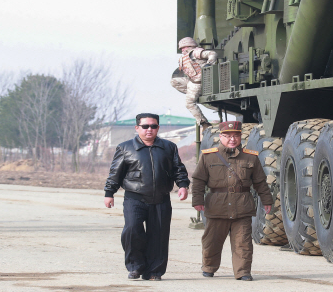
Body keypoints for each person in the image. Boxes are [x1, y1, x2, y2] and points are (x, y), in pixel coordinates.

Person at [104, 113, 190, 281]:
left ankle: (154, 271)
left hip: (161, 199)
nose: (149, 129)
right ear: (137, 128)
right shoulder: (125, 148)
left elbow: (178, 169)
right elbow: (115, 173)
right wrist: (109, 193)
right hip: (134, 198)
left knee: (159, 236)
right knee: (132, 230)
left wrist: (183, 185)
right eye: (145, 126)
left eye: (153, 126)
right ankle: (135, 266)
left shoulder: (169, 147)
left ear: (158, 128)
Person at [191, 121, 273, 281]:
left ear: (240, 136)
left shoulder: (251, 157)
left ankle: (243, 272)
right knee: (212, 241)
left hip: (242, 206)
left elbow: (260, 182)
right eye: (227, 136)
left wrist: (267, 200)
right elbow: (198, 180)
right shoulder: (208, 156)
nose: (232, 139)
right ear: (220, 136)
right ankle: (209, 267)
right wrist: (197, 200)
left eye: (235, 135)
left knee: (243, 243)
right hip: (216, 206)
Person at [171, 37, 217, 131]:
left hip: (200, 82)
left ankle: (204, 122)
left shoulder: (196, 53)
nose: (182, 50)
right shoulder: (183, 58)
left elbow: (212, 53)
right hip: (192, 81)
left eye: (184, 47)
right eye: (181, 48)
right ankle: (194, 94)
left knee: (189, 103)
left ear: (190, 46)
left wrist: (209, 64)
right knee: (174, 81)